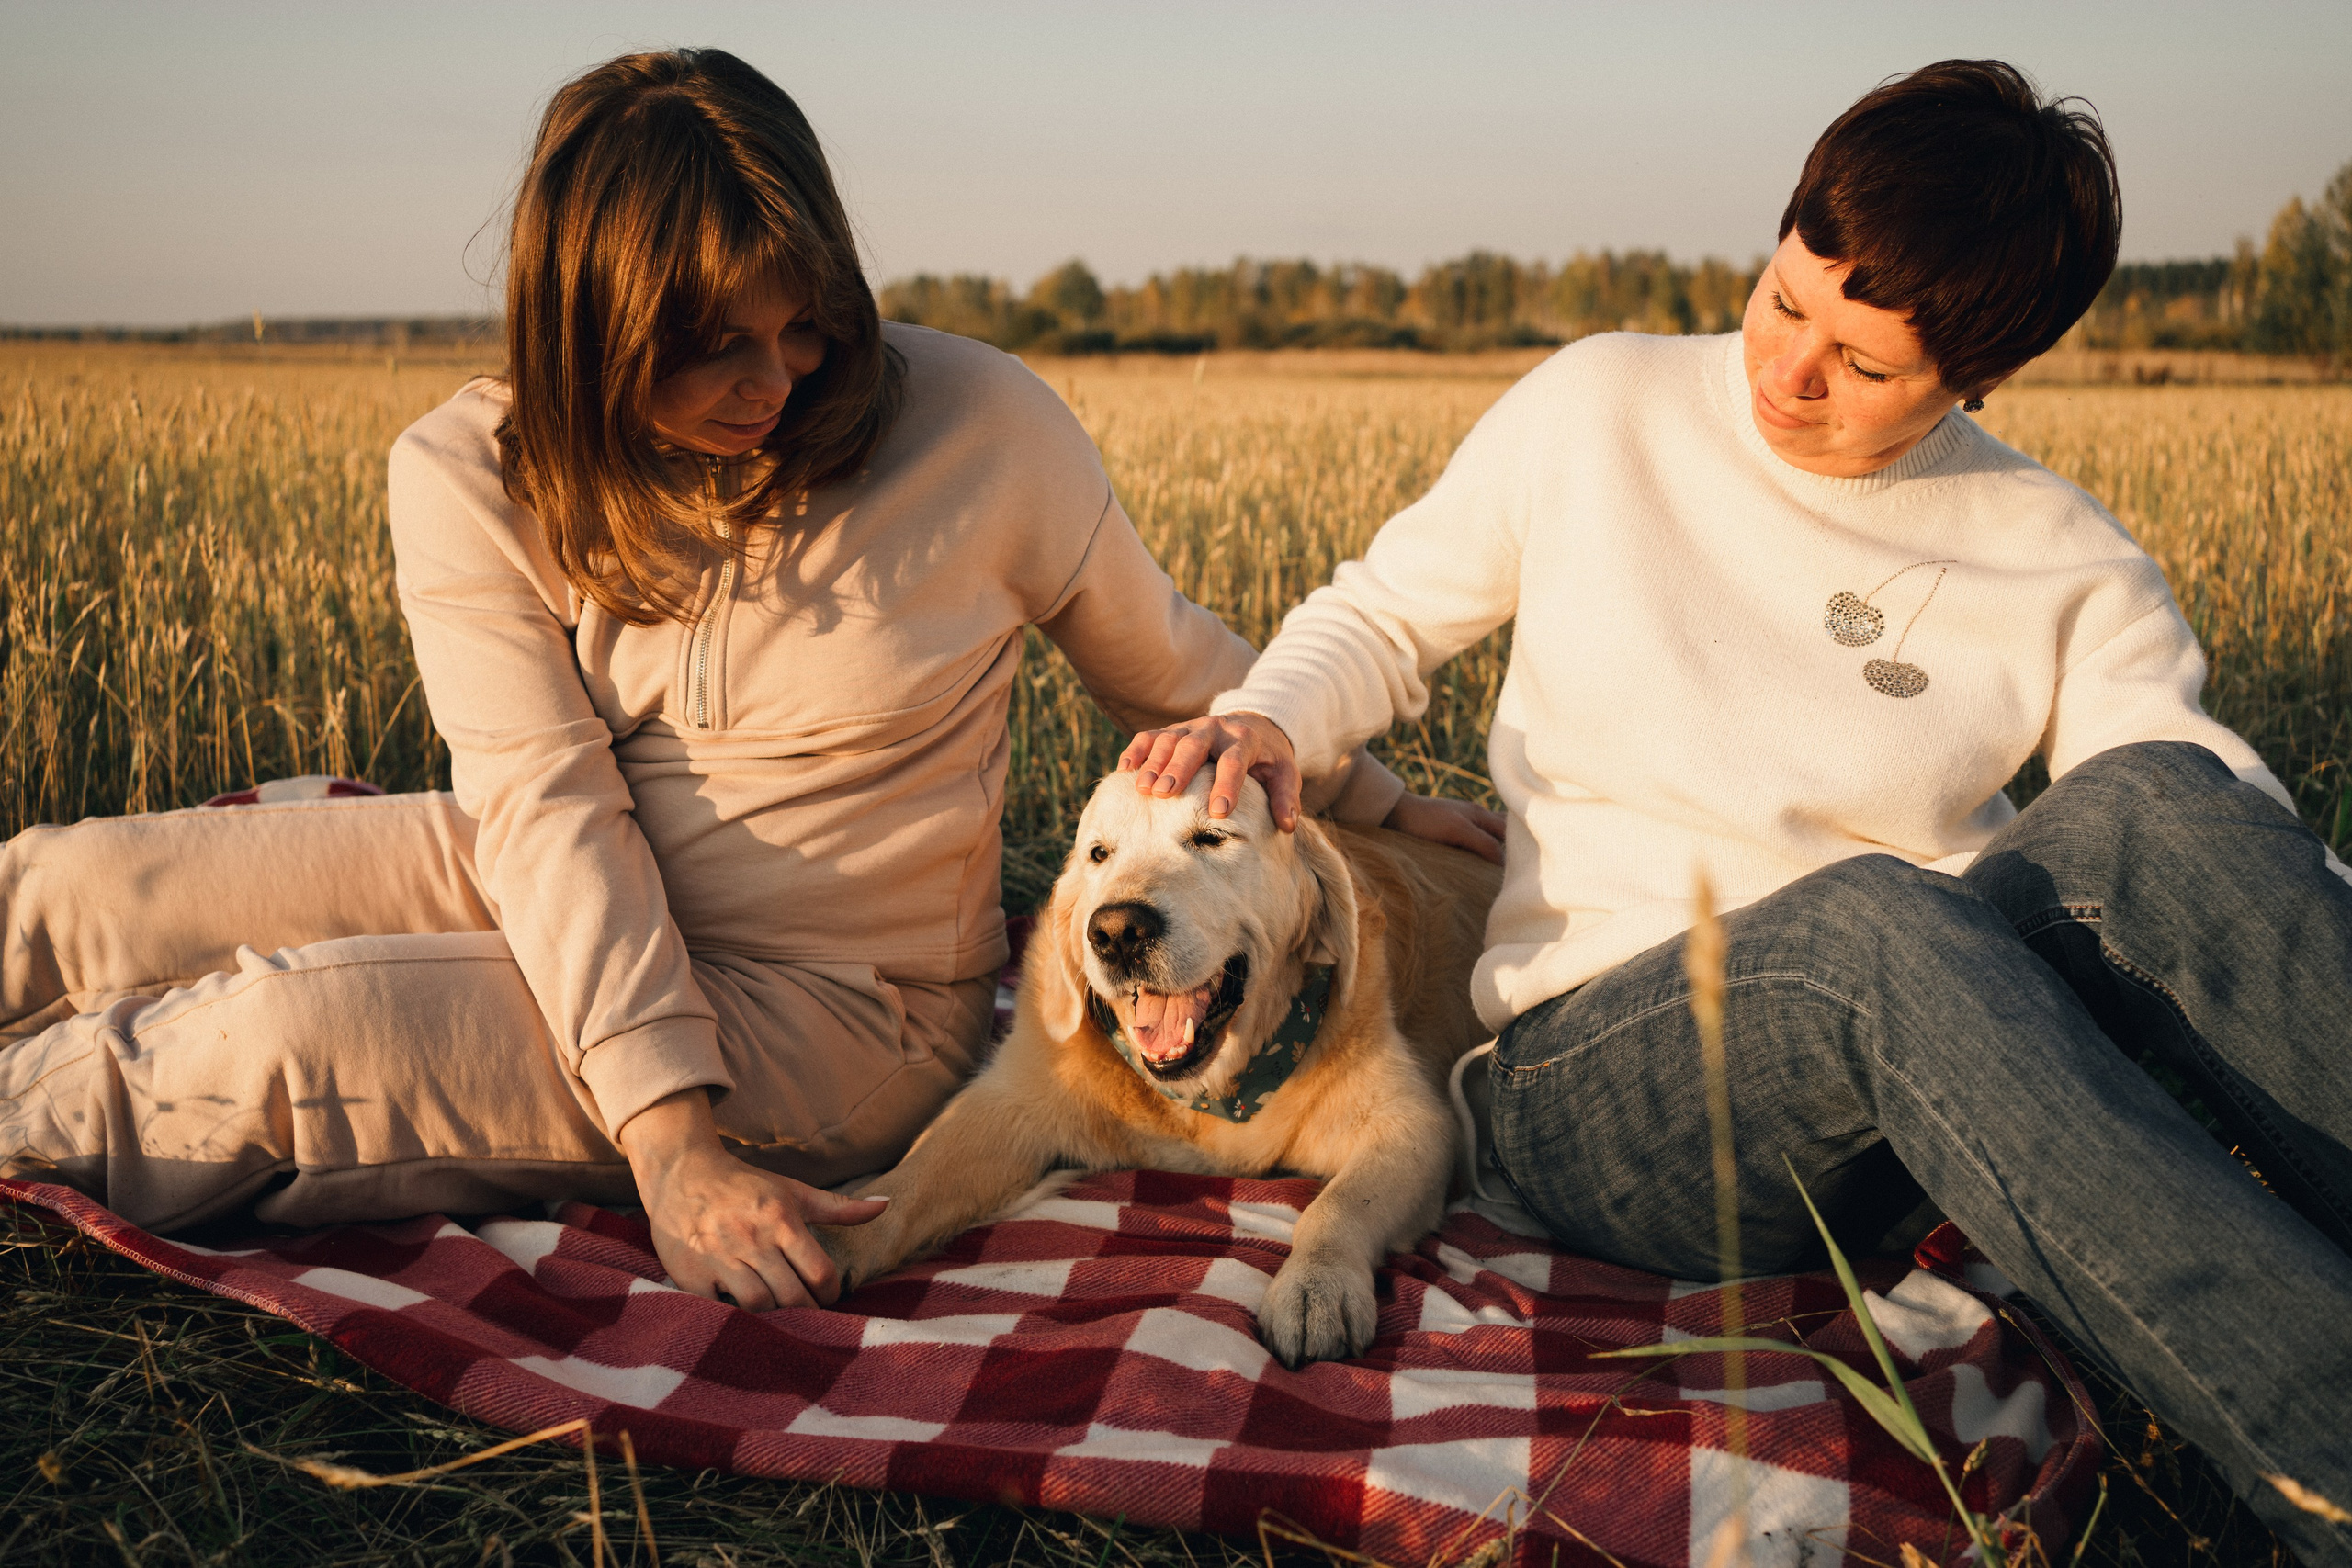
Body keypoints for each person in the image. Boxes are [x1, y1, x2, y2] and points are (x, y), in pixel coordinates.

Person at [0, 49, 1494, 1315]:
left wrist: (1372, 797)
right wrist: (663, 1146)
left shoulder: (986, 427)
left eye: (805, 325)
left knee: (267, 1042)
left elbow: (1173, 671)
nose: (774, 382)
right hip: (545, 873)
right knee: (82, 889)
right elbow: (546, 808)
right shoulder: (464, 472)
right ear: (586, 326)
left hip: (834, 1012)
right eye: (713, 345)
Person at [1128, 61, 2352, 1565]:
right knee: (1876, 926)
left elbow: (2207, 831)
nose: (1789, 373)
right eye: (1784, 301)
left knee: (2167, 806)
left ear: (1979, 377)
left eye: (1865, 364)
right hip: (1605, 1081)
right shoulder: (1601, 405)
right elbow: (1384, 615)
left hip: (1941, 1078)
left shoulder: (2056, 552)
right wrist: (1268, 719)